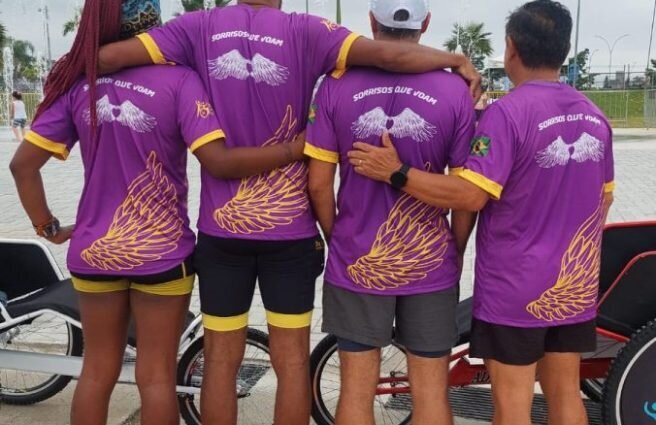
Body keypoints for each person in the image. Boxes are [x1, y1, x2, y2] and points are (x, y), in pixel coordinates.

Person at [95, 2, 481, 424]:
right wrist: (454, 59)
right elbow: (390, 57)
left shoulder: (198, 27)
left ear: (373, 20)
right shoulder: (308, 31)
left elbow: (107, 58)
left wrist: (340, 238)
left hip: (222, 236)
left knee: (221, 359)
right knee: (294, 361)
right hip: (292, 234)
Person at [8, 1, 306, 424]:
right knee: (156, 376)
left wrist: (47, 226)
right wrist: (294, 149)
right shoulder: (180, 81)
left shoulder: (81, 86)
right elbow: (218, 161)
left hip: (95, 251)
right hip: (163, 254)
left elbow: (22, 166)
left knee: (96, 371)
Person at [347, 2, 614, 425]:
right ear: (564, 49)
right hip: (574, 288)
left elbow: (470, 195)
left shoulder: (507, 113)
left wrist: (396, 172)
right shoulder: (595, 116)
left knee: (512, 406)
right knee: (566, 397)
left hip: (516, 291)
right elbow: (605, 199)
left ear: (511, 48)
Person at [306, 2, 476, 424]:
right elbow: (465, 193)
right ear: (426, 24)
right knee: (431, 395)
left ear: (371, 21)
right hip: (431, 264)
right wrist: (453, 249)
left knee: (355, 392)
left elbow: (318, 185)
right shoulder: (456, 89)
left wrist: (339, 238)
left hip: (357, 260)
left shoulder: (335, 84)